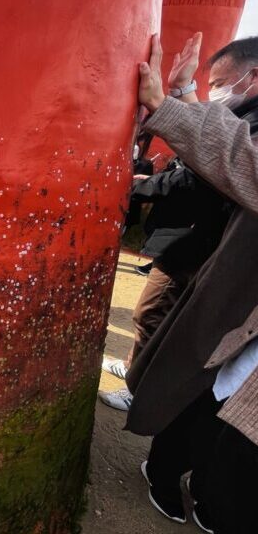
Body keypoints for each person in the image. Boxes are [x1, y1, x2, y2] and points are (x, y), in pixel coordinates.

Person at [128, 32, 258, 533]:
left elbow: (237, 161)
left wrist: (170, 103)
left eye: (224, 84)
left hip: (224, 281)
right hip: (227, 287)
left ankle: (201, 492)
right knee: (203, 392)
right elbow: (233, 147)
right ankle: (180, 482)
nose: (220, 93)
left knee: (223, 419)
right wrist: (179, 100)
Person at [100, 152, 232, 411]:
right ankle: (132, 368)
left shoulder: (241, 125)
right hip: (189, 234)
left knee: (152, 314)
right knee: (156, 315)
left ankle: (137, 390)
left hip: (190, 239)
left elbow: (193, 179)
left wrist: (137, 185)